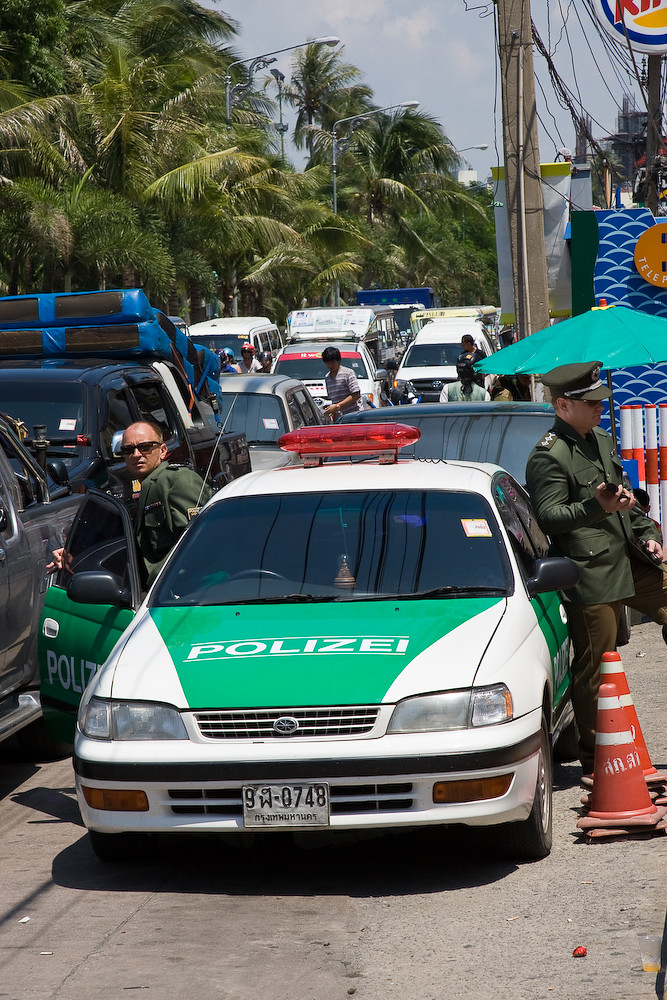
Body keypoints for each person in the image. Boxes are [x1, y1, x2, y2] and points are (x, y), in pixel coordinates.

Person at [525, 362, 667, 775]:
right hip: (591, 573)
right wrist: (595, 506)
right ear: (562, 405)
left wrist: (646, 530)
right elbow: (549, 516)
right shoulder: (549, 455)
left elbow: (625, 499)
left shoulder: (601, 439)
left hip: (631, 558)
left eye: (600, 403)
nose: (599, 410)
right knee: (598, 667)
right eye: (590, 404)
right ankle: (596, 759)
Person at [49, 421, 211, 587]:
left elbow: (200, 542)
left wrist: (162, 580)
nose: (136, 454)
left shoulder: (177, 480)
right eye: (128, 450)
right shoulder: (137, 490)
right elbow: (125, 544)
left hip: (183, 590)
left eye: (145, 447)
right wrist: (75, 554)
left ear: (162, 451)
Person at [321, 346, 363, 419]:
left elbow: (356, 395)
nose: (330, 365)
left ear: (338, 361)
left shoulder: (348, 373)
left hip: (354, 416)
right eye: (328, 363)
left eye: (332, 362)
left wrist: (338, 406)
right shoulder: (327, 377)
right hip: (339, 418)